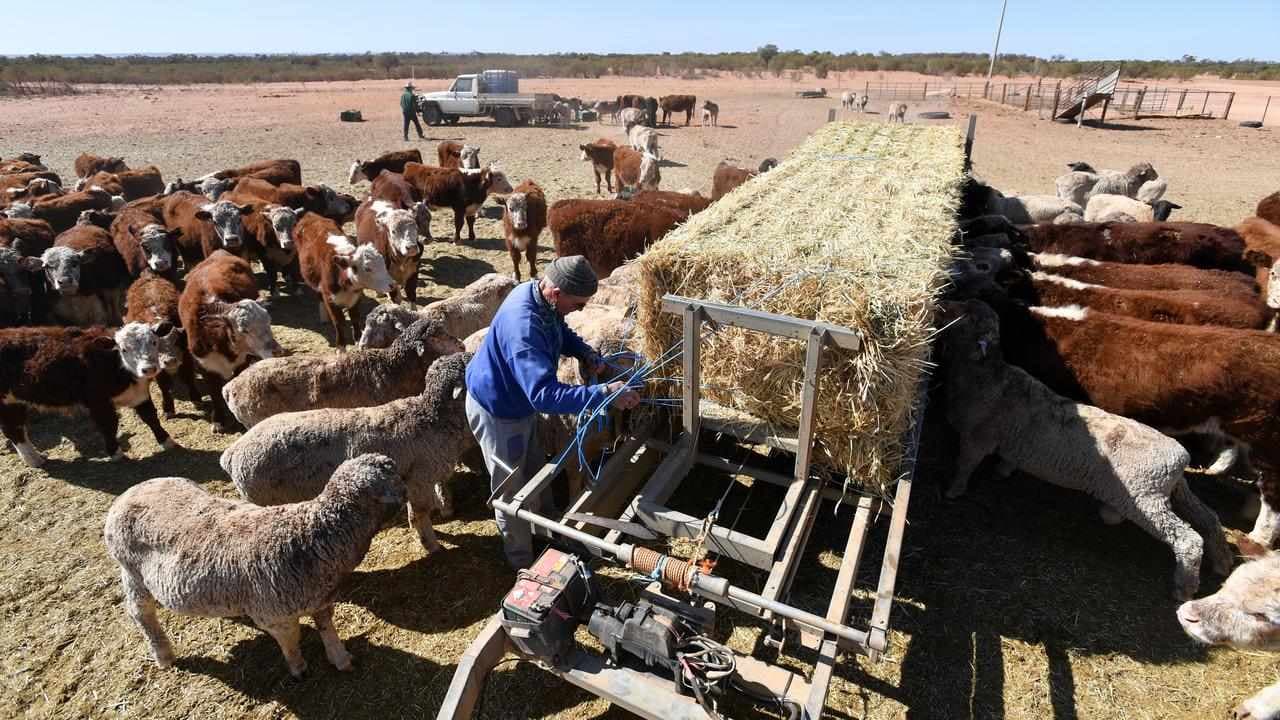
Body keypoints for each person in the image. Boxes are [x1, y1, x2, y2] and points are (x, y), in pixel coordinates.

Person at [464, 256, 640, 569]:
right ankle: (521, 560)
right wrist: (603, 394)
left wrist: (584, 352)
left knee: (533, 468)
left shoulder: (538, 296)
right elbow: (543, 395)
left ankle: (546, 530)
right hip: (499, 411)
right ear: (556, 293)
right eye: (579, 304)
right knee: (510, 490)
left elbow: (559, 329)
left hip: (518, 404)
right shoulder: (525, 328)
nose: (581, 309)